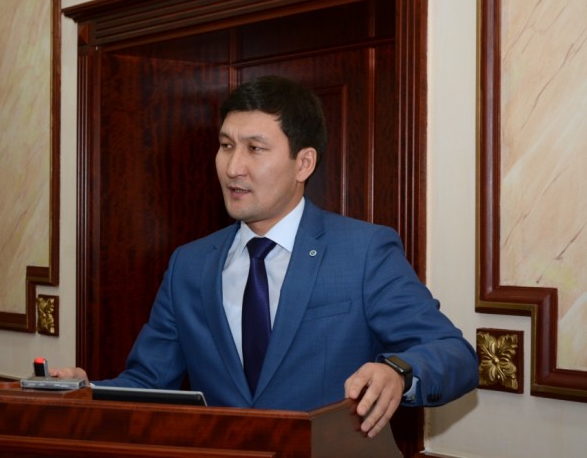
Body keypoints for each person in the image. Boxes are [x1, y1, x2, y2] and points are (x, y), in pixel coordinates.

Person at [52, 75, 478, 438]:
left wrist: (398, 373)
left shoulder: (364, 251)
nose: (232, 167)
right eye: (225, 145)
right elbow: (148, 381)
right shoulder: (189, 265)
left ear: (303, 164)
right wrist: (89, 392)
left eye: (254, 148)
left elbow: (455, 354)